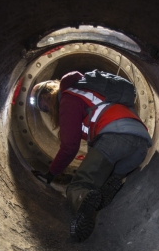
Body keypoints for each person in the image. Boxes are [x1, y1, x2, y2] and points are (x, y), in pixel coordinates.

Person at [31, 70, 152, 241]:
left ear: (46, 95)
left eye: (44, 106)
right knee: (103, 181)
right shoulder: (91, 93)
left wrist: (51, 174)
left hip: (114, 137)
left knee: (78, 186)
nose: (47, 109)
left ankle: (82, 204)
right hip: (140, 145)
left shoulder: (68, 97)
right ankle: (109, 186)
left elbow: (69, 147)